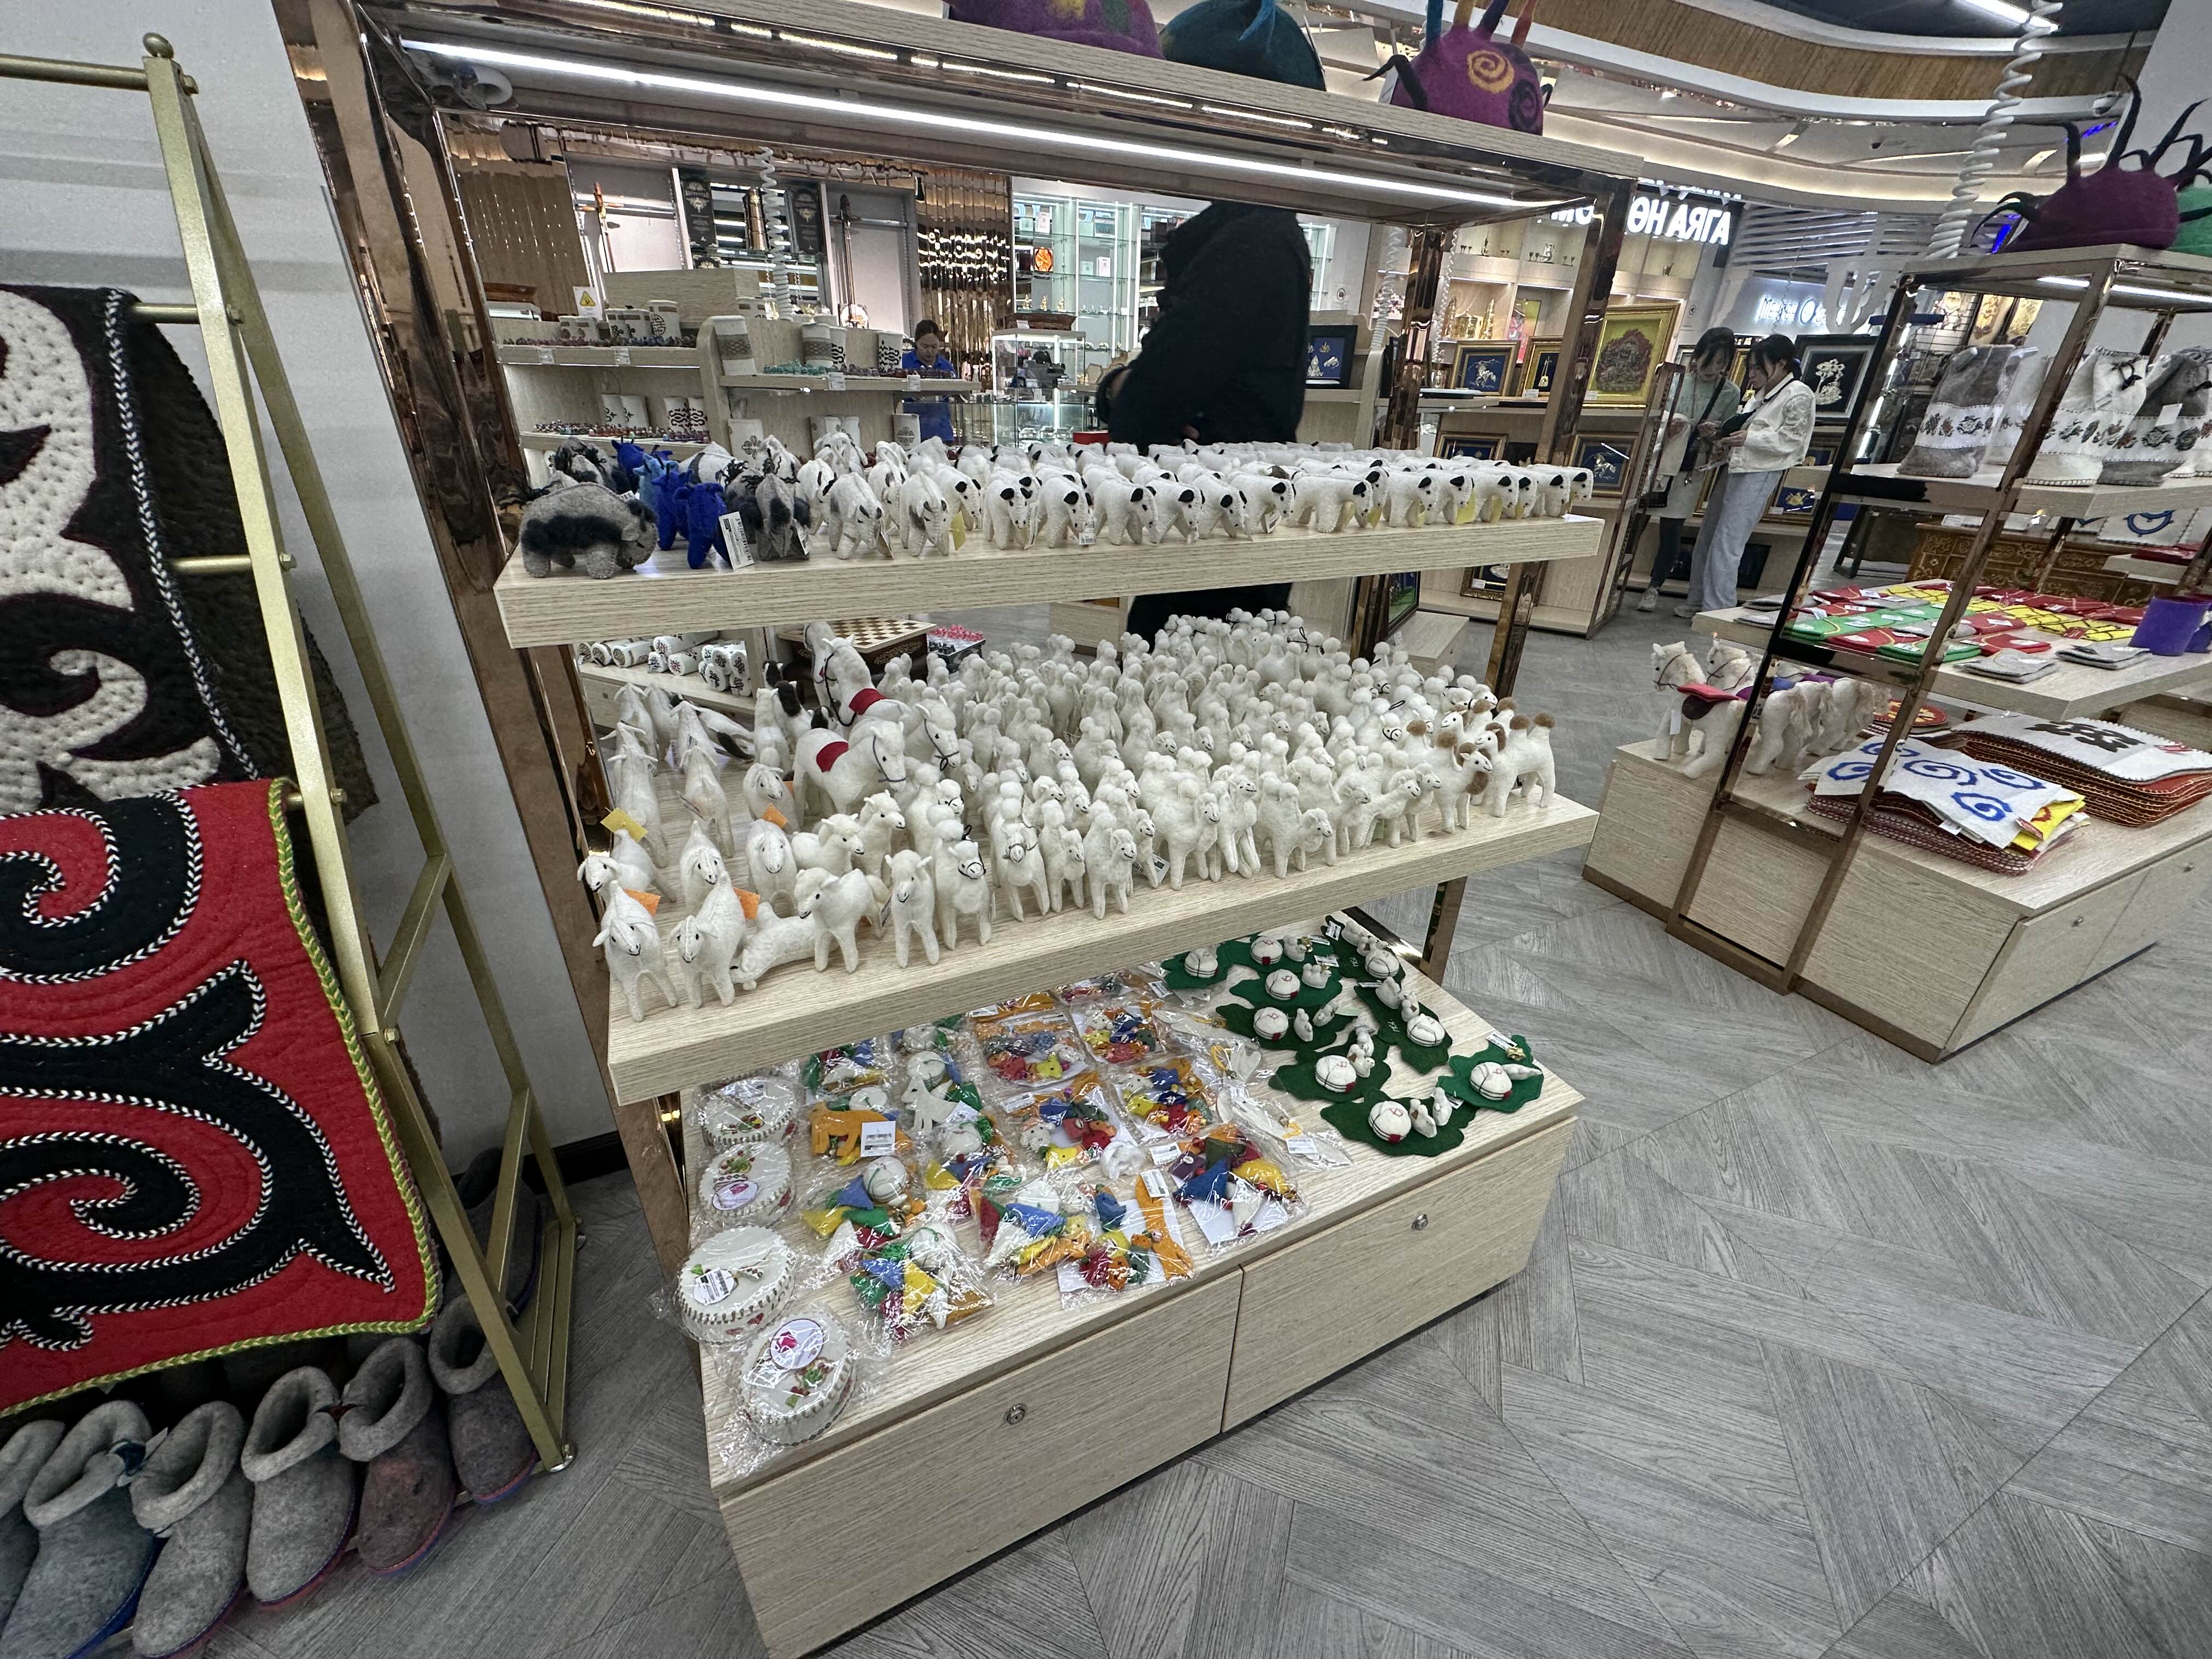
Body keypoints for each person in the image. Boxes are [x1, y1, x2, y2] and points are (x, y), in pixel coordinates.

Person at [1105, 201, 1310, 641]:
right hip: (1239, 517)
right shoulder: (1276, 235)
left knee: (1181, 654)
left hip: (1208, 533)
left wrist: (1118, 387)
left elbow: (1144, 404)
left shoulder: (1247, 244)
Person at [1682, 332, 1816, 619]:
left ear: (1781, 364)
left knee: (1728, 542)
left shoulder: (1798, 394)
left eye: (1757, 367)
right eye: (1750, 368)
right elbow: (1749, 428)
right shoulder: (1762, 396)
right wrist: (1723, 436)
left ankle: (1718, 610)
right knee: (1709, 535)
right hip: (1735, 467)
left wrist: (1748, 439)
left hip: (1759, 473)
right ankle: (1698, 599)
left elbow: (1793, 441)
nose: (1751, 374)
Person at [1637, 326, 1741, 612]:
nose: (1713, 369)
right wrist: (1668, 426)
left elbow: (1727, 435)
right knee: (1636, 521)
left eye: (1721, 363)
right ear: (1697, 356)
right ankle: (1614, 579)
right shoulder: (1677, 381)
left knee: (1672, 530)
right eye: (1709, 360)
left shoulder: (1730, 392)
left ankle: (1654, 587)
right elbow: (1654, 417)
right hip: (1659, 461)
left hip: (1691, 467)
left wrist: (1715, 433)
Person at [899, 319, 957, 445]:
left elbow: (960, 394)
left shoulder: (946, 366)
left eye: (934, 347)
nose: (930, 351)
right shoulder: (902, 364)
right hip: (911, 434)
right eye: (925, 346)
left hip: (942, 434)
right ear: (916, 343)